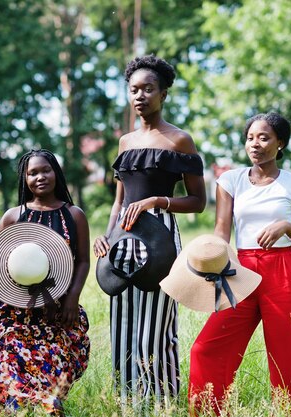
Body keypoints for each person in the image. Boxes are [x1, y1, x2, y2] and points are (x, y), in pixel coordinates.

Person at [188, 112, 291, 415]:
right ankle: (209, 412)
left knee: (285, 357)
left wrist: (289, 228)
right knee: (206, 349)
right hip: (240, 270)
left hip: (283, 271)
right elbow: (222, 230)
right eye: (250, 137)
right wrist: (212, 263)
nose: (255, 144)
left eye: (264, 137)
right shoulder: (230, 180)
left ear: (280, 143)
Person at [93, 55, 206, 407]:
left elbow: (198, 201)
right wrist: (107, 237)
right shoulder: (125, 142)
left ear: (164, 93)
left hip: (161, 238)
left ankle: (163, 406)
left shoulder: (179, 141)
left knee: (153, 333)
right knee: (123, 329)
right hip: (123, 239)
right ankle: (128, 406)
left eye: (148, 89)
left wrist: (158, 200)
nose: (140, 95)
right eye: (134, 90)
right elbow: (119, 201)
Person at [0, 149, 91, 416]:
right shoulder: (13, 216)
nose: (40, 177)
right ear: (25, 179)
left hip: (59, 312)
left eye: (46, 170)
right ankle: (9, 405)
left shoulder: (74, 214)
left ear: (56, 172)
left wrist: (72, 299)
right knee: (11, 384)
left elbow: (82, 261)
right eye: (32, 173)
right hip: (16, 313)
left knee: (51, 394)